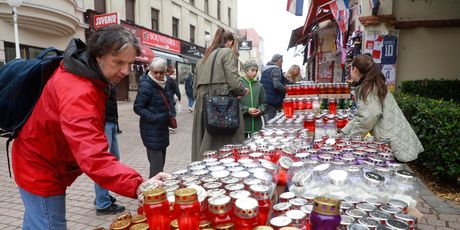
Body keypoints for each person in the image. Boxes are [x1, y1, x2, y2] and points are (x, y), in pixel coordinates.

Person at [12, 25, 169, 229]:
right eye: (118, 62)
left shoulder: (84, 72)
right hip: (40, 168)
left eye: (129, 63)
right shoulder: (78, 90)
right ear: (98, 56)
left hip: (41, 160)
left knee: (36, 222)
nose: (124, 71)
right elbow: (93, 156)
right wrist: (139, 185)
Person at [341, 54, 423, 162]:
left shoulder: (369, 88)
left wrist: (350, 141)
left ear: (355, 69)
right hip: (394, 137)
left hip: (393, 142)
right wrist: (344, 133)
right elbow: (361, 116)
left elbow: (366, 119)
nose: (349, 72)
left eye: (350, 69)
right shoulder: (372, 84)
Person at [191, 28, 248, 161]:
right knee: (227, 147)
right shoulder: (227, 52)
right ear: (230, 42)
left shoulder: (202, 59)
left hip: (202, 105)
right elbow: (234, 83)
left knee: (204, 146)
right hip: (223, 106)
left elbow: (194, 90)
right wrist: (242, 91)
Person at [134, 57, 175, 178]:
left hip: (162, 129)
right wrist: (155, 118)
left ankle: (156, 190)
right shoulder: (146, 85)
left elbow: (169, 100)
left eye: (161, 72)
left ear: (165, 72)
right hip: (151, 130)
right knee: (156, 168)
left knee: (160, 163)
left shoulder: (166, 83)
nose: (158, 75)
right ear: (150, 70)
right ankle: (152, 193)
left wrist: (171, 113)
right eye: (155, 72)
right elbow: (138, 107)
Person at [93, 86, 124, 214]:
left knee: (114, 160)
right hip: (103, 123)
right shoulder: (96, 78)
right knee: (103, 163)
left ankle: (103, 195)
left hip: (111, 122)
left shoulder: (108, 80)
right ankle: (102, 202)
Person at [240, 60, 267, 138]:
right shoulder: (239, 84)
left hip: (256, 125)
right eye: (252, 70)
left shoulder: (259, 86)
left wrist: (260, 110)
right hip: (242, 125)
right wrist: (247, 110)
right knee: (242, 148)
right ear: (246, 70)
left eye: (256, 70)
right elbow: (235, 103)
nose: (255, 73)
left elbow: (264, 103)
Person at [260, 54, 287, 122]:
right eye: (282, 62)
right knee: (271, 122)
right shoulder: (276, 69)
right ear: (279, 61)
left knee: (268, 121)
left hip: (264, 98)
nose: (282, 64)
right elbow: (276, 84)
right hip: (272, 100)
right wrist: (286, 89)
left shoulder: (265, 69)